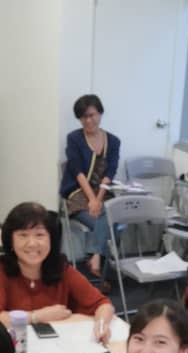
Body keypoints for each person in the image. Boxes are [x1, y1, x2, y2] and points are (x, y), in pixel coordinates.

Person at [0, 202, 115, 343]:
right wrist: (36, 317)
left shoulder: (61, 268)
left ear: (51, 239)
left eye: (39, 235)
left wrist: (101, 326)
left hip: (56, 347)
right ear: (10, 240)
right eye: (23, 235)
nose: (32, 243)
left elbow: (103, 304)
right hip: (13, 348)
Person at [59, 94, 120, 279]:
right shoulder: (74, 138)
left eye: (91, 115)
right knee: (109, 222)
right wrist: (92, 200)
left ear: (100, 113)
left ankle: (95, 257)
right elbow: (77, 171)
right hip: (78, 193)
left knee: (114, 216)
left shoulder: (113, 141)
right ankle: (101, 271)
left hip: (103, 192)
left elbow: (110, 172)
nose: (88, 120)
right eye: (83, 117)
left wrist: (98, 198)